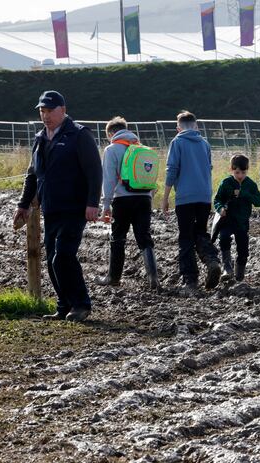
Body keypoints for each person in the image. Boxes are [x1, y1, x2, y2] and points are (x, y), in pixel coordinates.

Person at [13, 90, 102, 322]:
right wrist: (23, 204)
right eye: (42, 111)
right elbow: (32, 175)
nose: (46, 115)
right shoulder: (40, 138)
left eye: (50, 110)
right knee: (52, 256)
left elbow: (94, 172)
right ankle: (64, 306)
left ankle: (81, 304)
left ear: (63, 109)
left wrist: (93, 202)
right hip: (51, 207)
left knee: (62, 255)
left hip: (75, 207)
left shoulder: (79, 135)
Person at [96, 116, 159, 290]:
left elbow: (108, 179)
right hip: (144, 199)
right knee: (144, 237)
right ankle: (153, 278)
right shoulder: (142, 149)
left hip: (122, 200)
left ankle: (113, 277)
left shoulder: (112, 149)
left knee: (118, 238)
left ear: (111, 133)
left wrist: (106, 204)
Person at [162, 111, 221, 291]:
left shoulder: (177, 142)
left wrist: (165, 197)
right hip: (204, 196)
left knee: (186, 237)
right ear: (196, 126)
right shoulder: (204, 143)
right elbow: (208, 167)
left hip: (185, 198)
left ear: (178, 127)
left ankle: (190, 280)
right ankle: (212, 260)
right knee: (200, 233)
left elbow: (172, 170)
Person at [213, 154, 260, 282]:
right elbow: (217, 199)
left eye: (243, 172)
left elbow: (259, 201)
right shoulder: (226, 183)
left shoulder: (250, 184)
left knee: (243, 249)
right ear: (231, 170)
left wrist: (244, 194)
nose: (240, 176)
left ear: (247, 170)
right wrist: (220, 208)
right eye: (237, 172)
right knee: (223, 238)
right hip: (227, 220)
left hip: (242, 222)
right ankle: (227, 269)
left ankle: (239, 273)